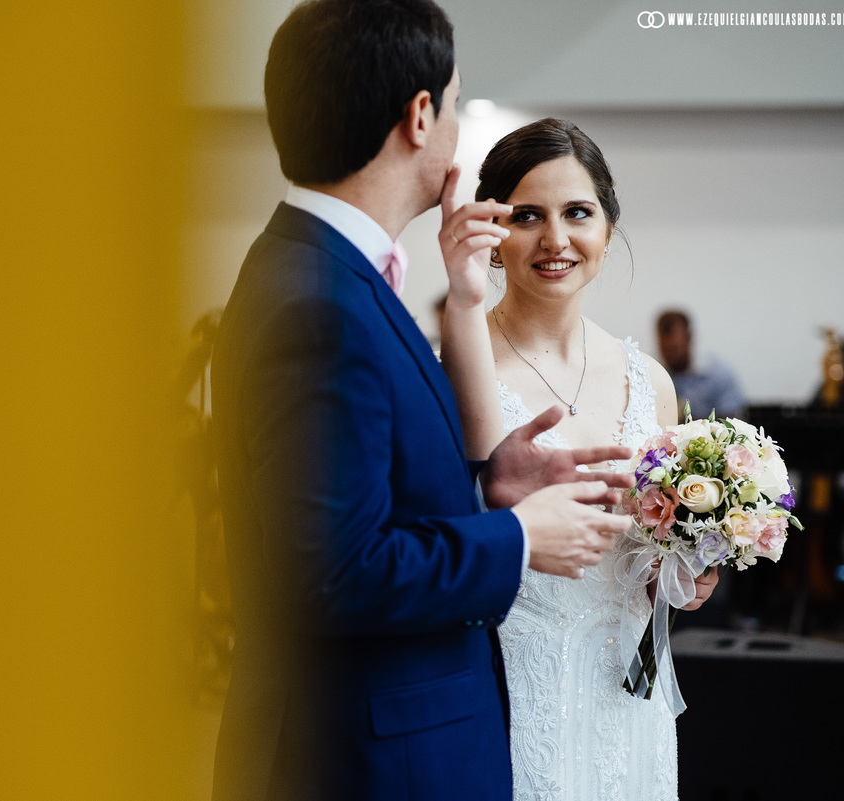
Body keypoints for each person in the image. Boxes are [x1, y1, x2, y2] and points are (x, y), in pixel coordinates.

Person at [211, 3, 639, 799]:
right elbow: (335, 572)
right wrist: (517, 536)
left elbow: (359, 505)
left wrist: (485, 486)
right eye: (454, 101)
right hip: (369, 762)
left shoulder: (319, 273)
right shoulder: (321, 303)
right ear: (418, 115)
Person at [439, 118, 719, 800]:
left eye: (577, 213)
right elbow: (457, 528)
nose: (555, 239)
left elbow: (653, 558)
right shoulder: (459, 365)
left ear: (608, 227)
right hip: (515, 688)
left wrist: (683, 572)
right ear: (493, 232)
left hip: (628, 700)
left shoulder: (650, 381)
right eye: (527, 216)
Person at [656, 309, 746, 419]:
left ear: (689, 338)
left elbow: (731, 419)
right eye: (664, 349)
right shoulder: (654, 376)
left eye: (675, 348)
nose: (670, 355)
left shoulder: (718, 374)